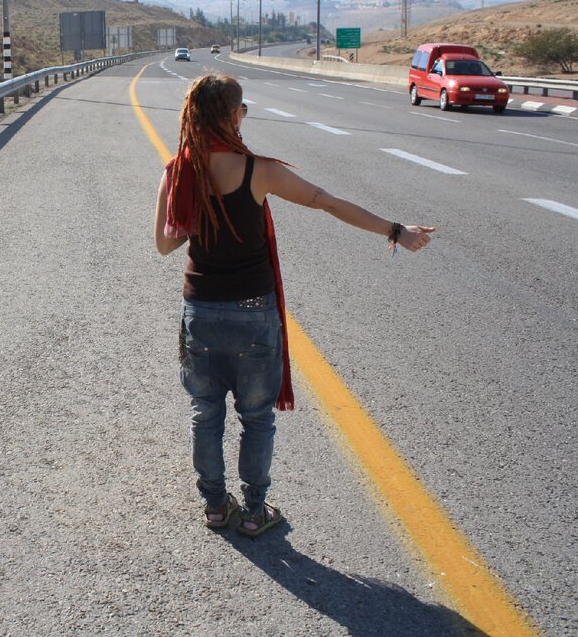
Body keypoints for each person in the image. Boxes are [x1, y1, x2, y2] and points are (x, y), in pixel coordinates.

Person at [152, 73, 434, 537]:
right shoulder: (259, 170)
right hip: (253, 311)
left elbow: (165, 245)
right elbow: (328, 203)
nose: (244, 117)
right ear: (232, 114)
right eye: (242, 110)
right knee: (257, 417)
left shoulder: (177, 171)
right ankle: (256, 509)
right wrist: (396, 231)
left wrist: (194, 214)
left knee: (205, 412)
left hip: (200, 311)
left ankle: (216, 507)